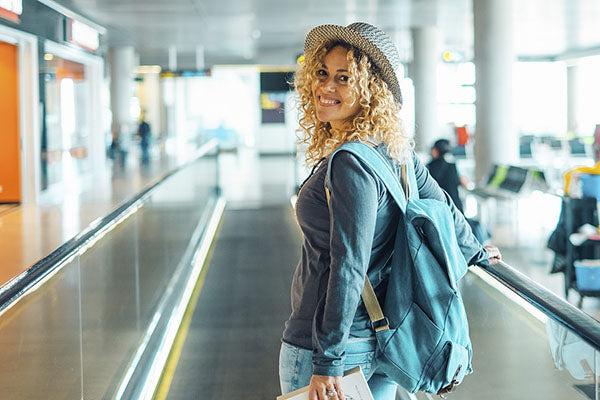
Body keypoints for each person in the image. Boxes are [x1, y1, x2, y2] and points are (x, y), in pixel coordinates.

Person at [279, 22, 502, 400]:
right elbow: (442, 202)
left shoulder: (350, 162)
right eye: (323, 73)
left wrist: (328, 361)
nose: (326, 87)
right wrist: (473, 247)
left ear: (370, 90)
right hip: (380, 338)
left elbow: (349, 264)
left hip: (332, 348)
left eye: (344, 78)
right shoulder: (393, 152)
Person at [426, 138, 467, 214]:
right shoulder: (452, 166)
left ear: (435, 150)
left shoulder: (429, 167)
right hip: (455, 207)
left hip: (436, 209)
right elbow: (461, 183)